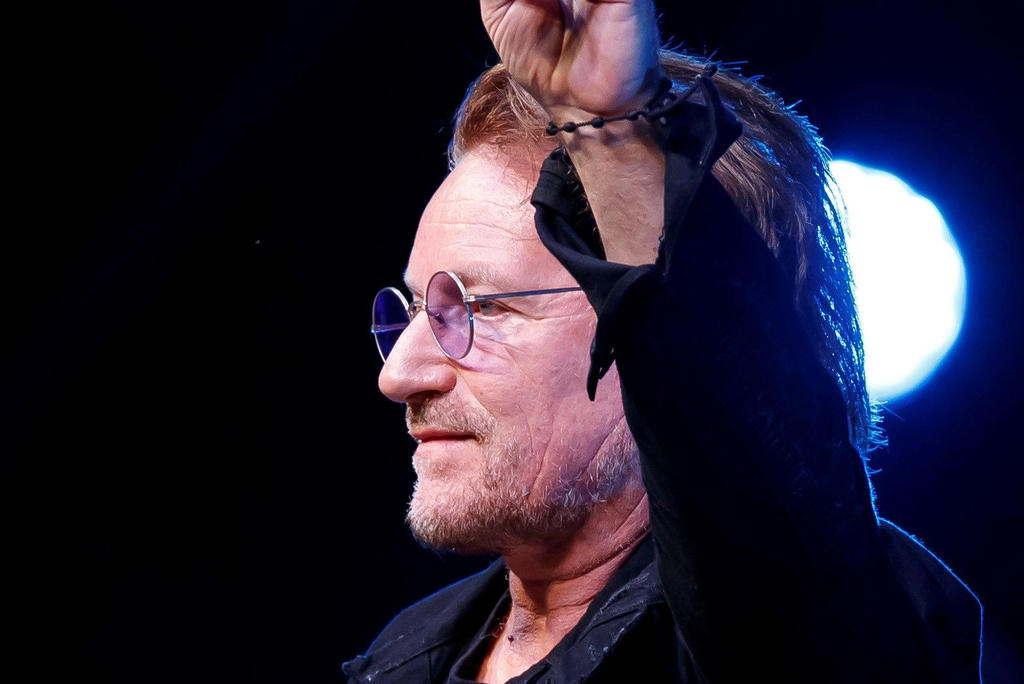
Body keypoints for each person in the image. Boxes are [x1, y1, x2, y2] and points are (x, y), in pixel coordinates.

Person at [344, 2, 982, 681]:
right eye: (418, 310)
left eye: (481, 308)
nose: (399, 375)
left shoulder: (835, 623)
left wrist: (610, 133)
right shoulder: (406, 654)